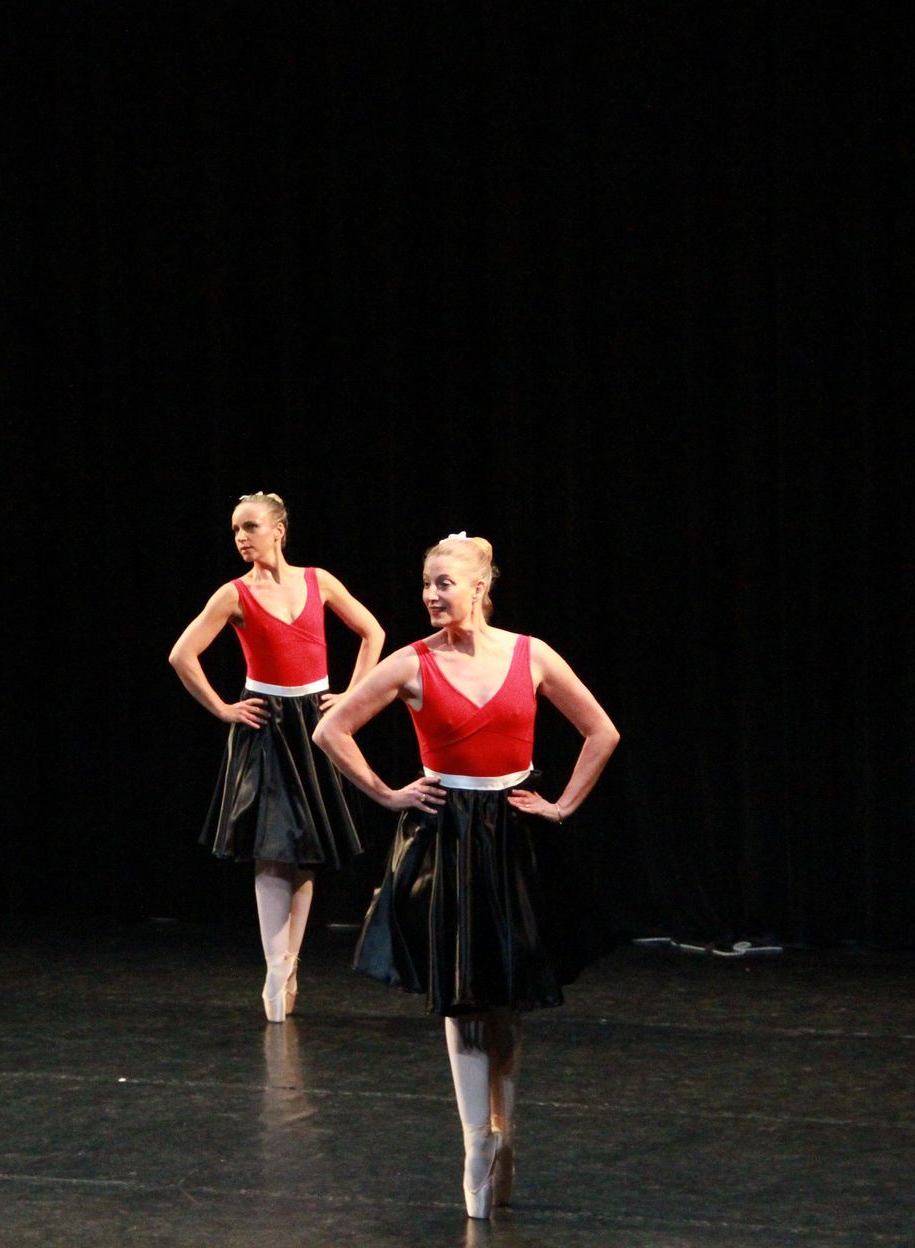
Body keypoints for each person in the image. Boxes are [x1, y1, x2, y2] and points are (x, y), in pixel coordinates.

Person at [313, 532, 619, 1219]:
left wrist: (561, 806)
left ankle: (504, 1128)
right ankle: (474, 1138)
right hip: (447, 839)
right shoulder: (411, 663)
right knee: (463, 996)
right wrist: (388, 794)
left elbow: (602, 731)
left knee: (504, 994)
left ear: (481, 586)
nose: (431, 594)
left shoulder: (530, 653)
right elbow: (332, 732)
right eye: (427, 583)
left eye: (444, 582)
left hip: (511, 839)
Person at [168, 492, 384, 1022]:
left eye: (250, 527)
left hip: (313, 723)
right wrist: (223, 708)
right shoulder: (234, 593)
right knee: (271, 847)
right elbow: (182, 654)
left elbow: (372, 632)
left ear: (279, 531)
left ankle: (290, 961)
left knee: (305, 847)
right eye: (236, 530)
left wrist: (353, 696)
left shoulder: (319, 581)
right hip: (266, 726)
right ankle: (273, 967)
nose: (241, 537)